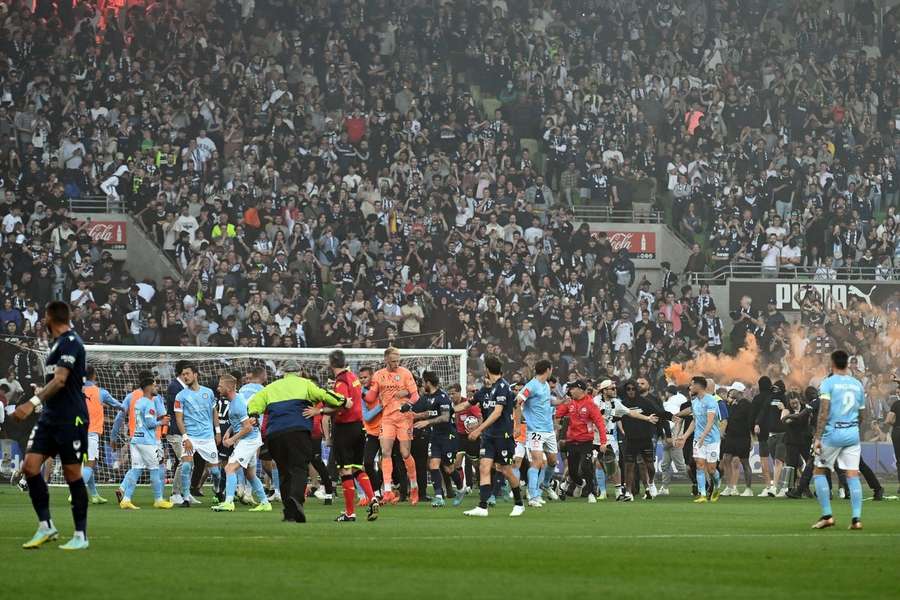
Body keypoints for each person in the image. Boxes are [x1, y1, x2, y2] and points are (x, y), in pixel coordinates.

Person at [13, 301, 90, 550]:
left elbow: (60, 381)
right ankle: (46, 526)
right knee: (30, 467)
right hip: (49, 418)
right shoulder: (55, 346)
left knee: (72, 474)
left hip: (70, 418)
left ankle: (80, 535)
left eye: (44, 317)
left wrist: (31, 402)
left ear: (49, 318)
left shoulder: (71, 342)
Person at [247, 360, 346, 523]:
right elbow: (327, 396)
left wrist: (253, 415)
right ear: (300, 372)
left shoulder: (272, 387)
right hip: (297, 432)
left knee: (284, 471)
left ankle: (288, 511)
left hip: (274, 435)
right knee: (299, 468)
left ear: (284, 374)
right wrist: (342, 400)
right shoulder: (306, 384)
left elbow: (253, 404)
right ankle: (296, 501)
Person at [463, 355, 525, 517]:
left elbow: (498, 413)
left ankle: (519, 503)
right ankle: (482, 507)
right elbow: (469, 404)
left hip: (502, 436)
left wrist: (478, 429)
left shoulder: (503, 387)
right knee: (484, 467)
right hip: (489, 437)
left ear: (487, 370)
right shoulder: (488, 388)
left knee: (506, 470)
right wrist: (449, 410)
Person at [319, 350, 377, 522]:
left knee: (345, 471)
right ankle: (373, 498)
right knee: (358, 468)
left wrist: (322, 408)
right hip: (359, 427)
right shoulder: (353, 377)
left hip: (345, 428)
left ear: (331, 364)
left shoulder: (341, 382)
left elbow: (343, 404)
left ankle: (350, 513)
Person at [811, 350, 866, 530]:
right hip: (852, 434)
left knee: (819, 471)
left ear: (832, 363)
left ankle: (827, 516)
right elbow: (863, 414)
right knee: (852, 474)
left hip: (833, 433)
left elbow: (824, 410)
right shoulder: (857, 384)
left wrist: (817, 437)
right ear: (847, 364)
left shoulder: (828, 383)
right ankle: (856, 519)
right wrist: (853, 427)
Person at [365, 347, 420, 504]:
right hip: (387, 418)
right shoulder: (378, 375)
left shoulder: (405, 373)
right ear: (386, 360)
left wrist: (408, 404)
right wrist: (360, 390)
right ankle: (387, 491)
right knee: (386, 451)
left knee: (404, 453)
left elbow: (415, 395)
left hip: (404, 418)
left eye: (398, 360)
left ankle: (414, 487)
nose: (397, 363)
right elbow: (370, 397)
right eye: (394, 360)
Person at [210, 374, 271, 513]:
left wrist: (232, 439)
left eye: (220, 386)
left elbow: (248, 427)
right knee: (250, 475)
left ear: (229, 387)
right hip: (250, 439)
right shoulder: (235, 400)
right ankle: (265, 503)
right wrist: (229, 432)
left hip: (249, 440)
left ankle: (228, 502)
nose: (218, 388)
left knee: (229, 468)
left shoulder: (238, 403)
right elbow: (240, 422)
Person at [115, 379, 173, 510]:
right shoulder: (149, 403)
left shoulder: (139, 402)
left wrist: (157, 420)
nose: (156, 387)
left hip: (136, 439)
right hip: (147, 442)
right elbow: (150, 424)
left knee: (136, 469)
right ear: (148, 388)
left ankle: (126, 499)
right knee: (155, 469)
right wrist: (162, 423)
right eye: (154, 385)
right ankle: (158, 499)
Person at [173, 364, 221, 508]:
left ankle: (218, 490)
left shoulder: (208, 393)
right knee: (187, 466)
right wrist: (185, 438)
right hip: (191, 437)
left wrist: (218, 432)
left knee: (215, 472)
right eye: (183, 374)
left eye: (187, 373)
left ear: (195, 374)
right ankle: (186, 498)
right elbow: (179, 419)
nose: (185, 377)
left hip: (207, 438)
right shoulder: (180, 396)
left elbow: (214, 413)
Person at [515, 360, 559, 507]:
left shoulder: (546, 385)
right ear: (548, 369)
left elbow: (546, 402)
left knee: (552, 461)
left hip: (549, 430)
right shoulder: (531, 385)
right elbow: (518, 401)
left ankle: (544, 485)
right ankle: (533, 496)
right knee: (537, 462)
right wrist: (517, 423)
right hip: (535, 430)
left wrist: (562, 402)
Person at [554, 380, 607, 503]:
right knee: (572, 471)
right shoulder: (570, 403)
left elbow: (599, 423)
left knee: (586, 467)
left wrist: (603, 442)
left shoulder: (590, 405)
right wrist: (558, 423)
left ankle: (591, 493)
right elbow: (558, 414)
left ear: (580, 390)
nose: (570, 391)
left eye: (572, 389)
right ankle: (580, 483)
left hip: (586, 442)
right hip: (572, 441)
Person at [410, 370, 457, 507]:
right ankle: (438, 496)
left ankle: (460, 487)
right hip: (435, 436)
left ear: (428, 383)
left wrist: (427, 422)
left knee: (448, 469)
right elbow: (432, 412)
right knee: (433, 465)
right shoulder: (428, 397)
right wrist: (417, 415)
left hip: (448, 436)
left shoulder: (443, 397)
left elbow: (445, 417)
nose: (422, 385)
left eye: (424, 382)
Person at [82, 366, 122, 504]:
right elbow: (117, 405)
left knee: (87, 464)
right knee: (91, 464)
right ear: (94, 376)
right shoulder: (100, 392)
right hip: (91, 433)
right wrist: (127, 407)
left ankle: (94, 495)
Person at [679, 377, 722, 504]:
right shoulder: (695, 401)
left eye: (691, 385)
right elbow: (695, 421)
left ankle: (717, 487)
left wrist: (703, 437)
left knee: (712, 469)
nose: (690, 388)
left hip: (712, 440)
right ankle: (702, 494)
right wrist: (685, 436)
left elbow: (710, 422)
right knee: (699, 465)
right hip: (698, 439)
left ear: (699, 386)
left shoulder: (711, 401)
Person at [720, 382, 754, 497]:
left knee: (745, 463)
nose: (730, 392)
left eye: (732, 390)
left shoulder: (747, 405)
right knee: (726, 459)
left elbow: (750, 423)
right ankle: (729, 487)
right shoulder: (732, 404)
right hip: (731, 437)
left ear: (738, 391)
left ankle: (748, 489)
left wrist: (752, 439)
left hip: (743, 437)